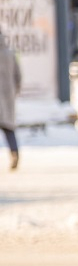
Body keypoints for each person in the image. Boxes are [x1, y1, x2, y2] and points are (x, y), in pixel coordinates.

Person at [0, 29, 21, 170]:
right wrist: (15, 91)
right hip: (7, 96)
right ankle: (14, 153)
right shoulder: (10, 53)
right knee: (8, 128)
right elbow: (18, 76)